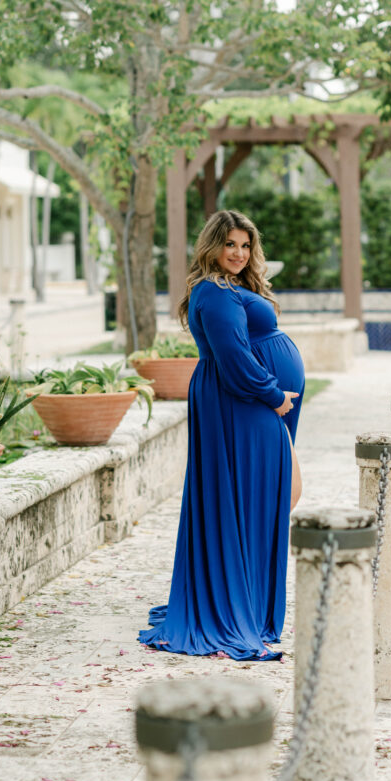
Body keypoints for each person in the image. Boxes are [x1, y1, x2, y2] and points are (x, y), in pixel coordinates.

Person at [138, 209, 305, 661]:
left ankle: (243, 600)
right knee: (254, 499)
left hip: (245, 406)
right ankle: (235, 608)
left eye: (245, 245)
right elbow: (233, 358)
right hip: (242, 405)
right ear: (212, 245)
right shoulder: (212, 293)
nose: (238, 253)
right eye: (230, 244)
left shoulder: (229, 288)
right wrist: (273, 395)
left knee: (261, 498)